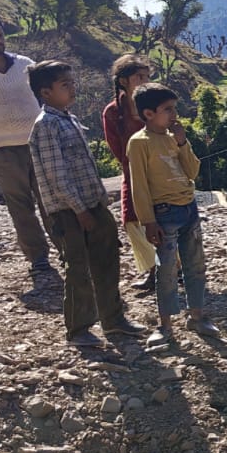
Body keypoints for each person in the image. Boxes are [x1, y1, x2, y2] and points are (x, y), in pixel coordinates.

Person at [26, 60, 145, 348]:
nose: (72, 88)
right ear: (45, 92)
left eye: (72, 82)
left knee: (107, 259)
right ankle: (79, 329)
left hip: (92, 203)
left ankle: (113, 320)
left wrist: (97, 204)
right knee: (78, 268)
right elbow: (57, 176)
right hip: (70, 211)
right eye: (65, 85)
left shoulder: (69, 119)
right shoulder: (46, 126)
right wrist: (79, 209)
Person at [127, 83, 219, 345]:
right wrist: (148, 221)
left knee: (195, 264)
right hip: (163, 213)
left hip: (188, 208)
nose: (174, 115)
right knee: (165, 270)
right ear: (148, 114)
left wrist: (182, 143)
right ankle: (165, 325)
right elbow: (140, 186)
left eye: (174, 109)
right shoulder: (139, 143)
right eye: (167, 110)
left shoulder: (174, 138)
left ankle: (197, 316)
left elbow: (192, 172)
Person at [0, 15, 57, 286]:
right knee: (20, 205)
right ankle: (38, 259)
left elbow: (47, 95)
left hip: (38, 142)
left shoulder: (25, 65)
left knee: (51, 199)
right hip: (1, 149)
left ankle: (67, 250)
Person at [100, 55, 160, 294]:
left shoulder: (155, 104)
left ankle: (175, 268)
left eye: (147, 76)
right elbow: (117, 148)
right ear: (124, 81)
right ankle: (153, 270)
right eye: (139, 77)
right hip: (133, 174)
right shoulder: (113, 112)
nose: (145, 81)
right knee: (134, 220)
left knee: (167, 218)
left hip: (161, 173)